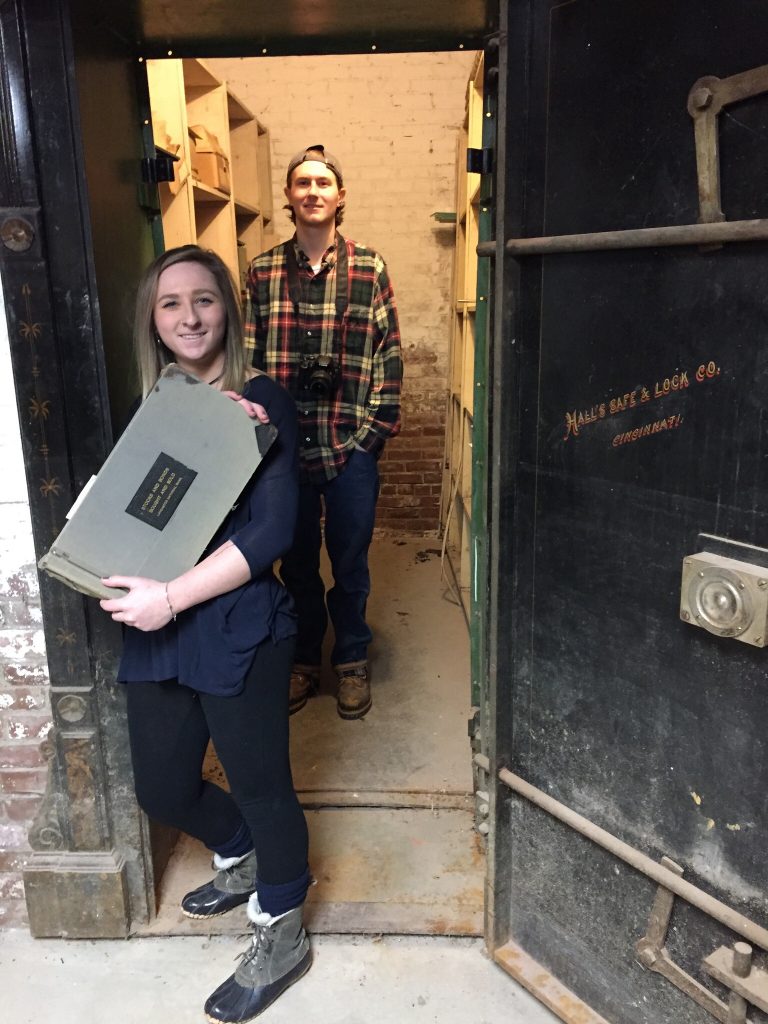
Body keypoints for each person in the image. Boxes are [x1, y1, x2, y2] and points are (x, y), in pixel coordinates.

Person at [99, 244, 311, 1024]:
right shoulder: (153, 407)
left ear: (229, 309)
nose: (189, 317)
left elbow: (273, 532)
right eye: (170, 304)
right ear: (152, 321)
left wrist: (172, 595)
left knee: (263, 786)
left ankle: (281, 924)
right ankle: (242, 852)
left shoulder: (263, 401)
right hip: (158, 626)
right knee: (161, 786)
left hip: (235, 622)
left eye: (204, 300)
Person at [244, 144, 403, 721]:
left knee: (352, 563)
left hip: (350, 443)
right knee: (298, 563)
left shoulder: (370, 267)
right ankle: (306, 658)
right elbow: (248, 360)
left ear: (340, 196)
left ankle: (352, 658)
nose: (312, 190)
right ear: (289, 197)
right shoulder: (262, 272)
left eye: (323, 182)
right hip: (283, 450)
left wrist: (374, 433)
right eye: (301, 182)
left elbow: (389, 353)